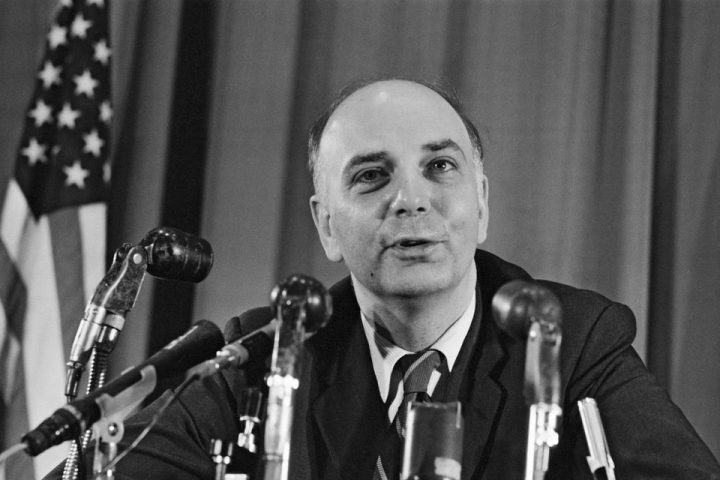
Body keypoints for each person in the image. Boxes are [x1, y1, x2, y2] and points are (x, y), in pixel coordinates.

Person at [46, 78, 720, 479]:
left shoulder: (569, 342)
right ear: (326, 224)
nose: (411, 200)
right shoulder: (266, 355)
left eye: (440, 168)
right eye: (372, 176)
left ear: (482, 203)